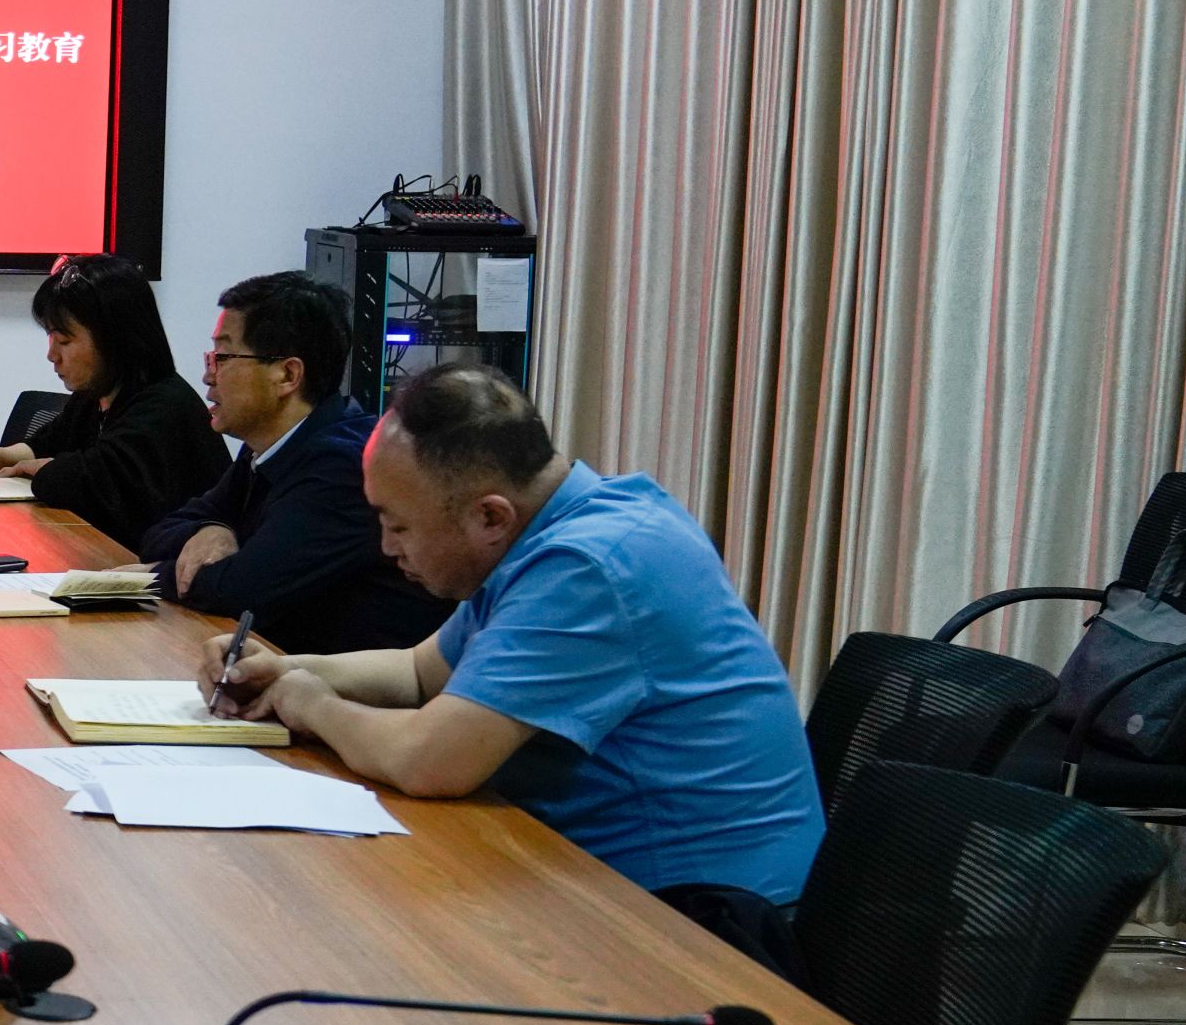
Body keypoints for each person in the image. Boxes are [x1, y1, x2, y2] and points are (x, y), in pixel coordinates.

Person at [203, 365, 825, 961]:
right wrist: (284, 669)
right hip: (625, 890)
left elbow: (429, 761)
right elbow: (420, 672)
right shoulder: (561, 526)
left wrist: (309, 702)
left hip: (709, 928)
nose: (387, 548)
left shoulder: (588, 567)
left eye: (399, 526)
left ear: (490, 516)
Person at [140, 271, 450, 655]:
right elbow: (159, 533)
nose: (208, 375)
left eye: (223, 357)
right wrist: (210, 528)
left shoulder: (342, 467)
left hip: (362, 685)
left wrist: (152, 576)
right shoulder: (267, 447)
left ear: (288, 375)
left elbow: (241, 591)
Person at [0, 254, 229, 553]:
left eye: (64, 341)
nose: (52, 355)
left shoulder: (163, 408)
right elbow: (49, 444)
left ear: (115, 339)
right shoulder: (96, 394)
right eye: (50, 338)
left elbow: (87, 481)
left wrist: (43, 469)